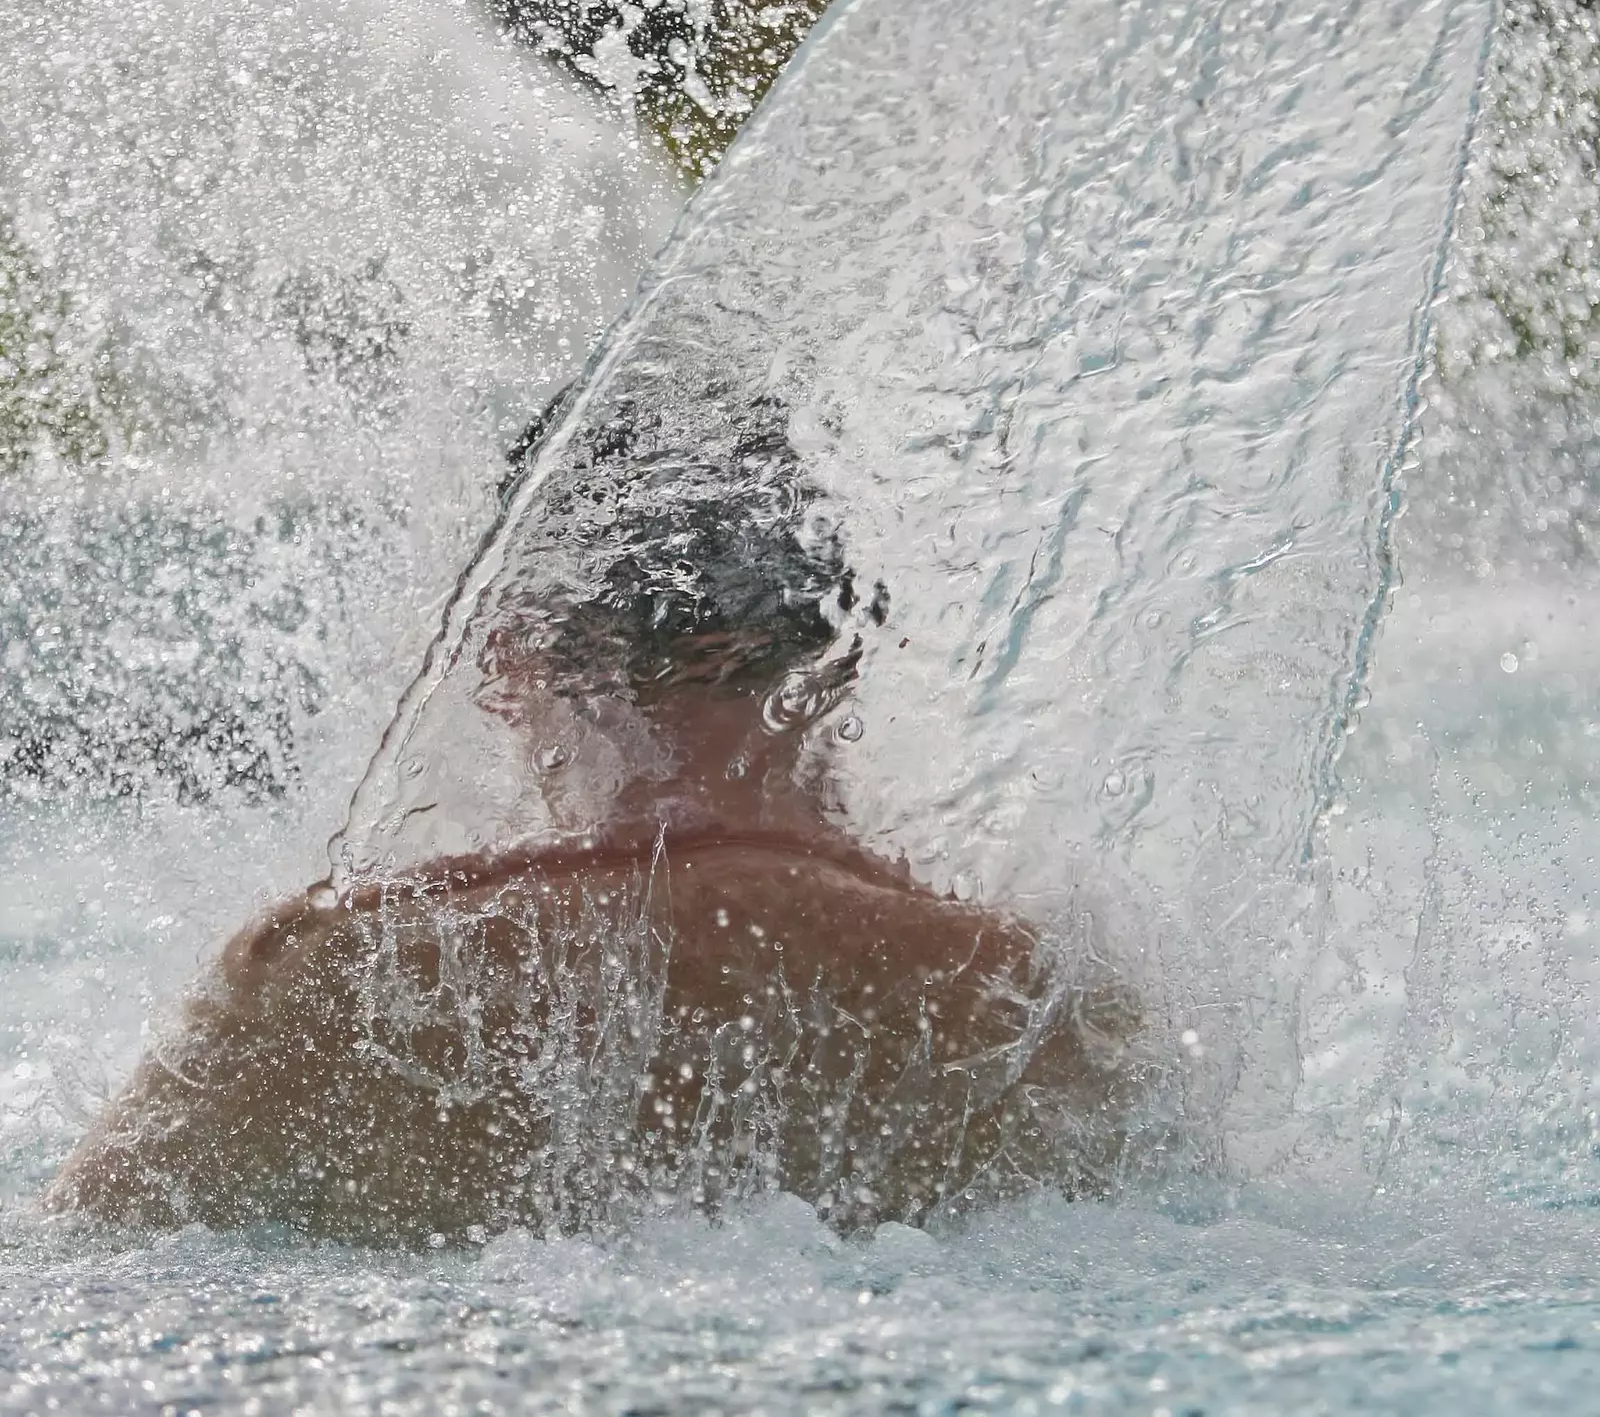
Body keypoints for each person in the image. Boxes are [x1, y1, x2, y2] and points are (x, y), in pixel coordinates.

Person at [51, 398, 1140, 1242]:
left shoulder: (345, 981)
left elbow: (81, 1265)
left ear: (512, 658)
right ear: (843, 647)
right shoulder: (1037, 1001)